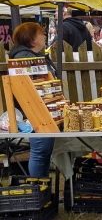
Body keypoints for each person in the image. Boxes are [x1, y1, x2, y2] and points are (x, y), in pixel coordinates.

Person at [9, 22, 57, 177]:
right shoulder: (24, 57)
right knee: (40, 151)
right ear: (31, 38)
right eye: (41, 33)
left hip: (43, 108)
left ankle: (43, 187)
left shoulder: (34, 56)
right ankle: (38, 188)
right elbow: (26, 88)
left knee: (45, 152)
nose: (44, 36)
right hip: (35, 111)